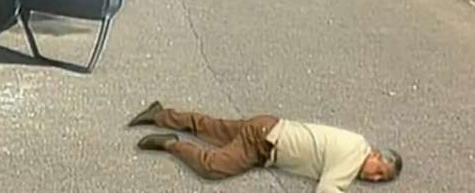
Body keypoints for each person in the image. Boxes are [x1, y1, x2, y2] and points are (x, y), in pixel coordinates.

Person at [128, 101, 402, 192]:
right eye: (379, 171)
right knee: (213, 167)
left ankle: (159, 114)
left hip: (269, 126)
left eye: (380, 180)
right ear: (375, 154)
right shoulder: (354, 156)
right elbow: (329, 189)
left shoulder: (356, 142)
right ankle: (171, 144)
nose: (374, 178)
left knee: (211, 128)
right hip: (265, 143)